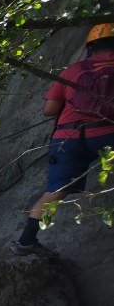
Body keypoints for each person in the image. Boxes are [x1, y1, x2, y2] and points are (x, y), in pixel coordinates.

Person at [11, 24, 114, 257]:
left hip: (68, 137)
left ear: (90, 46)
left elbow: (49, 110)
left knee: (54, 191)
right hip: (107, 132)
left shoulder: (73, 71)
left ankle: (26, 241)